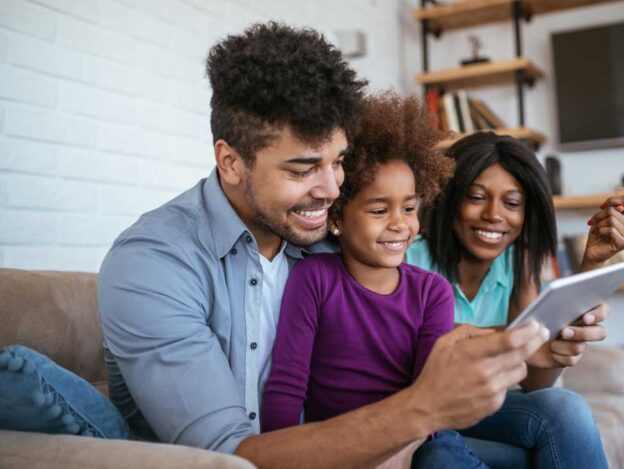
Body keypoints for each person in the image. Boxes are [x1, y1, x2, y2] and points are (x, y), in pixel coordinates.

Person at [98, 23, 549, 467]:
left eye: (338, 162)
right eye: (302, 170)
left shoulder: (323, 240)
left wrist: (531, 339)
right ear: (230, 162)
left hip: (374, 441)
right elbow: (225, 457)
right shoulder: (153, 264)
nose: (333, 189)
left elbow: (399, 319)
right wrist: (421, 408)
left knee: (556, 418)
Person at [261, 93, 506, 467]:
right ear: (337, 219)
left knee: (443, 455)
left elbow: (431, 395)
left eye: (409, 208)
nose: (400, 224)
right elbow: (287, 384)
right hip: (338, 446)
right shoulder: (313, 278)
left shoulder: (431, 292)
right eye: (379, 210)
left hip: (420, 440)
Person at [407, 132, 624, 467]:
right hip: (423, 408)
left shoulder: (520, 263)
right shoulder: (410, 260)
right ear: (449, 198)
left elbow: (533, 383)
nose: (493, 215)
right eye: (475, 197)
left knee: (565, 408)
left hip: (489, 409)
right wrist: (517, 340)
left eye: (512, 203)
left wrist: (592, 265)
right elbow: (406, 345)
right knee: (444, 454)